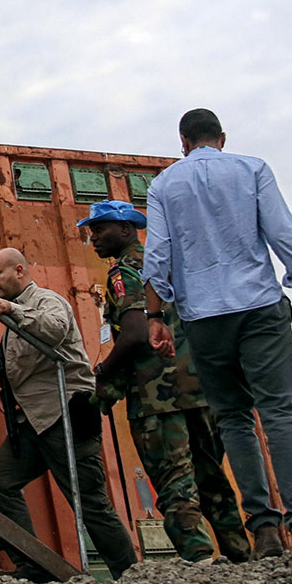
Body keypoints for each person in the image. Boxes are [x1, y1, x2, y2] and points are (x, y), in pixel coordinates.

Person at [142, 108, 292, 557]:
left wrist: (155, 317)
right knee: (278, 415)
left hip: (204, 317)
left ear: (183, 141)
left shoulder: (164, 185)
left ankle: (265, 530)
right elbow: (286, 238)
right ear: (222, 137)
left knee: (234, 418)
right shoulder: (252, 169)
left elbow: (157, 256)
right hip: (259, 307)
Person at [81, 200, 251, 564]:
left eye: (100, 229)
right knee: (213, 480)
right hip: (201, 390)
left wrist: (102, 374)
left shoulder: (124, 273)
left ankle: (200, 559)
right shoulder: (173, 266)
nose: (92, 236)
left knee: (175, 483)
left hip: (157, 398)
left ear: (126, 230)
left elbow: (134, 334)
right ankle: (241, 555)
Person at [0, 247, 140, 580]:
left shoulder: (45, 302)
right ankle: (33, 563)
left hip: (66, 417)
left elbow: (52, 329)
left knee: (90, 503)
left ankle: (130, 577)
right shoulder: (15, 315)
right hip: (34, 422)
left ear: (19, 271)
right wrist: (9, 389)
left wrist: (12, 309)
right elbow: (31, 362)